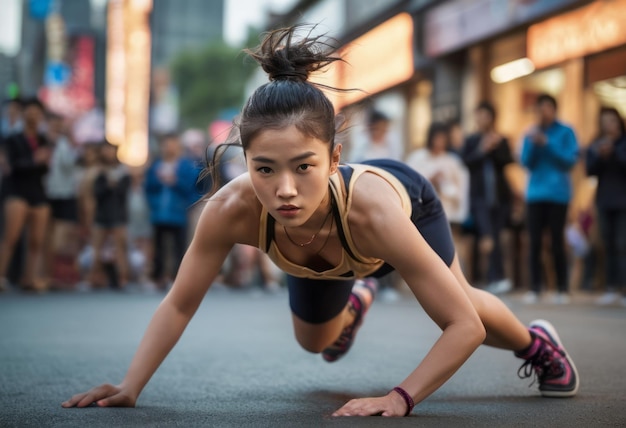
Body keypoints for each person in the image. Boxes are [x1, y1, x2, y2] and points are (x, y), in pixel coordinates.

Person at [62, 27, 578, 416]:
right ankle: (357, 299)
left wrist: (400, 398)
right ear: (245, 163)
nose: (284, 190)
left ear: (333, 159)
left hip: (405, 211)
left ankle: (539, 346)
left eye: (303, 167)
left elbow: (461, 328)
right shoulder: (229, 210)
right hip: (325, 254)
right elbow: (179, 303)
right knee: (315, 346)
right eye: (265, 169)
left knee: (465, 302)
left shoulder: (373, 210)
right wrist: (131, 385)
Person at [520, 94, 579, 304]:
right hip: (535, 194)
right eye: (540, 108)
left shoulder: (566, 131)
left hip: (558, 195)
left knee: (556, 241)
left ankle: (562, 288)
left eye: (547, 107)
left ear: (554, 109)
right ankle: (535, 288)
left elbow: (570, 161)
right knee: (534, 242)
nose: (543, 111)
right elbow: (525, 162)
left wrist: (547, 144)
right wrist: (535, 144)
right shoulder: (530, 133)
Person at [460, 101, 514, 294]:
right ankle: (491, 277)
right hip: (479, 197)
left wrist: (496, 147)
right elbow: (466, 162)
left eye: (485, 115)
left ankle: (498, 277)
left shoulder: (501, 139)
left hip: (500, 197)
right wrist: (483, 149)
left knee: (497, 237)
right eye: (478, 115)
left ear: (492, 118)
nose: (481, 119)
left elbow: (508, 161)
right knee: (487, 236)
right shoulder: (472, 141)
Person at [0, 97, 51, 292]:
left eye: (37, 112)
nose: (34, 115)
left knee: (37, 240)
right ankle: (2, 276)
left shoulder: (43, 139)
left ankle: (29, 278)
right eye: (30, 111)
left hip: (37, 190)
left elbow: (45, 168)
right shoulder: (12, 139)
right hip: (16, 190)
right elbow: (11, 167)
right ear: (23, 114)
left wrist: (43, 163)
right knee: (10, 237)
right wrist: (35, 161)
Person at [144, 132, 198, 290]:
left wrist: (175, 182)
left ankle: (177, 278)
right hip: (159, 214)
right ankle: (158, 277)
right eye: (167, 144)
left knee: (179, 247)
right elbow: (148, 188)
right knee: (158, 247)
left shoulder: (186, 165)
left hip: (179, 213)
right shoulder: (156, 166)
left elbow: (192, 188)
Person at [585, 107, 626, 306]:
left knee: (622, 244)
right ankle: (611, 287)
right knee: (608, 244)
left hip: (623, 202)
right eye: (604, 120)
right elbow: (589, 170)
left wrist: (616, 151)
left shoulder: (623, 144)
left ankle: (624, 288)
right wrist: (601, 155)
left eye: (611, 120)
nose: (608, 124)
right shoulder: (597, 144)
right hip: (604, 200)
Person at [86, 141, 131, 289]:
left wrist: (113, 186)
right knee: (97, 248)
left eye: (111, 150)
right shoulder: (98, 171)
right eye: (106, 150)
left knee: (120, 248)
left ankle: (122, 278)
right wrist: (108, 186)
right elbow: (96, 192)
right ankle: (95, 278)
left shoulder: (123, 171)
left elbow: (124, 192)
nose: (108, 153)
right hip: (101, 214)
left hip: (118, 214)